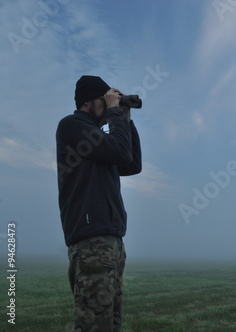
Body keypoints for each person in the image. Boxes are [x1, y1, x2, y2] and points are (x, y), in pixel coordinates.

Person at [56, 75, 142, 331]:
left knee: (110, 322)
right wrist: (115, 113)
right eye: (104, 101)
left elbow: (132, 164)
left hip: (111, 240)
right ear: (87, 102)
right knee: (93, 323)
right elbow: (119, 151)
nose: (107, 106)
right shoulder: (71, 126)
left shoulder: (99, 142)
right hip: (92, 240)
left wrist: (126, 119)